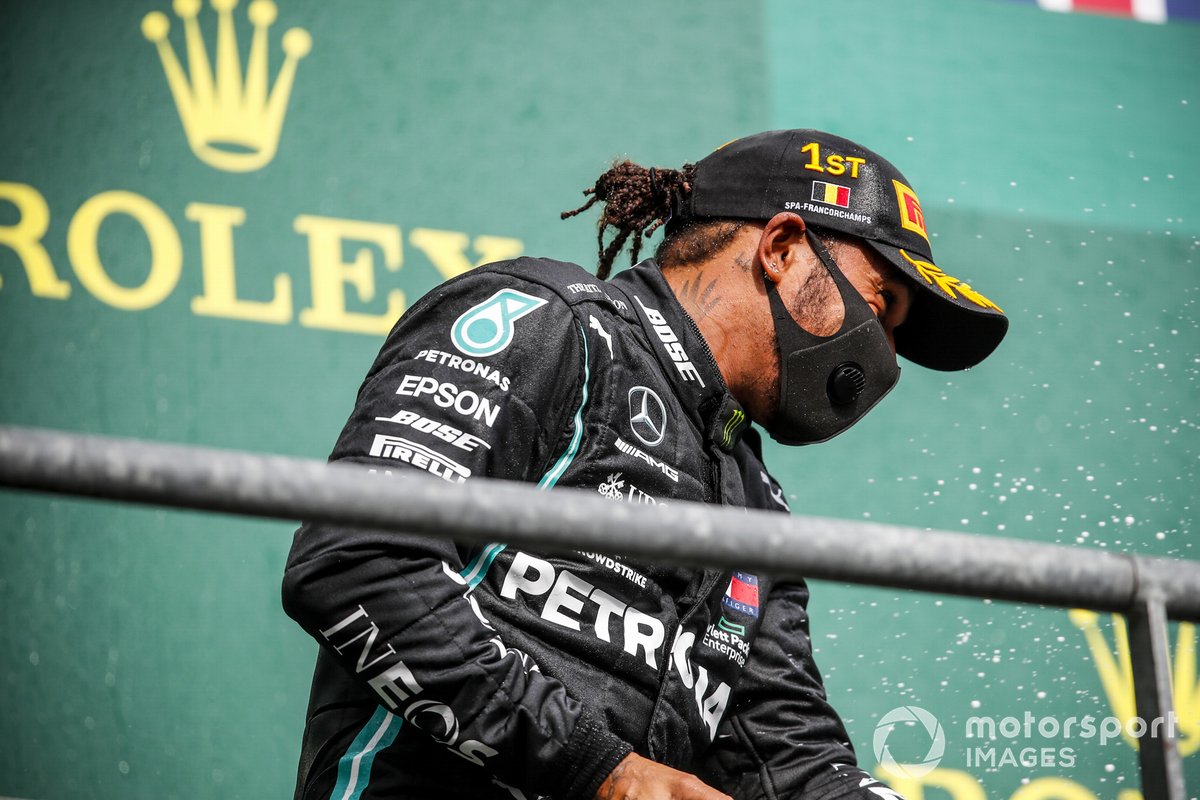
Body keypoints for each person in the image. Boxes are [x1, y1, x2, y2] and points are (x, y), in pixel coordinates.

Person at [281, 129, 1007, 800]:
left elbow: (791, 762)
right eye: (879, 306)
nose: (878, 352)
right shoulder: (555, 324)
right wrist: (603, 772)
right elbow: (356, 556)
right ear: (782, 247)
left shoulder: (758, 506)